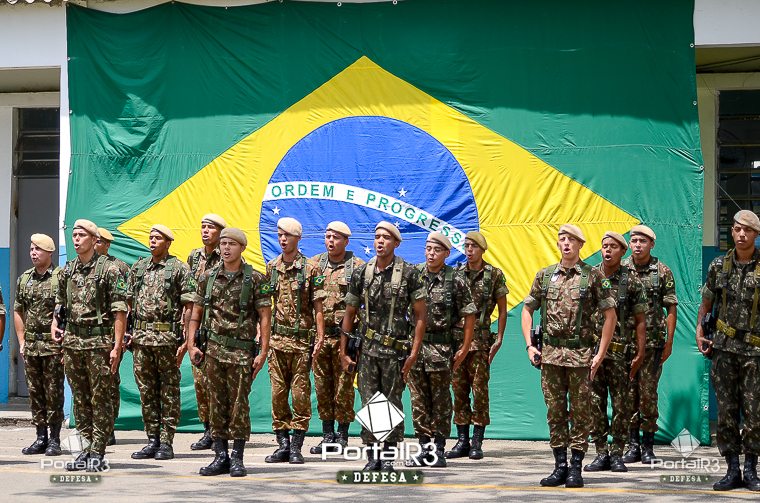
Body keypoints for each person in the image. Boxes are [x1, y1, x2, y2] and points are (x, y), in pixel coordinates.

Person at [521, 224, 616, 488]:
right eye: (562, 239)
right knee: (555, 412)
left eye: (571, 240)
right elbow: (527, 310)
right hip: (550, 356)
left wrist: (600, 353)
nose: (566, 244)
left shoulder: (592, 276)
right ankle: (559, 466)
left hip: (580, 356)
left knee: (581, 412)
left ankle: (576, 467)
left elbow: (610, 315)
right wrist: (530, 345)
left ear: (580, 245)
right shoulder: (545, 275)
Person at [340, 221, 426, 472]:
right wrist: (344, 352)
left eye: (386, 238)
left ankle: (388, 456)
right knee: (369, 402)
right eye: (377, 236)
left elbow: (421, 315)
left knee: (390, 402)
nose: (380, 241)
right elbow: (350, 312)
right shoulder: (362, 273)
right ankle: (373, 455)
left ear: (396, 243)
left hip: (396, 352)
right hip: (368, 350)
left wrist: (414, 353)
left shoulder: (409, 274)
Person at [187, 227, 272, 477]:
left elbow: (265, 316)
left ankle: (237, 457)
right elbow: (196, 313)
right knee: (216, 404)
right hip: (213, 352)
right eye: (223, 243)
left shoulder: (255, 279)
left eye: (231, 244)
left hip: (241, 352)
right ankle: (220, 455)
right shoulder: (208, 277)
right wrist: (191, 344)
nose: (226, 248)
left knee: (238, 406)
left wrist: (263, 351)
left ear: (242, 248)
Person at [52, 219, 128, 472]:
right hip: (73, 343)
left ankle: (98, 451)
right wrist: (55, 325)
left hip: (99, 343)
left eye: (81, 235)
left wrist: (116, 347)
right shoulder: (68, 270)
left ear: (95, 240)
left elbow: (119, 311)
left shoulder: (109, 270)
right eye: (74, 235)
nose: (76, 239)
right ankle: (84, 450)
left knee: (100, 399)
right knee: (80, 399)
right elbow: (60, 305)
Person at [697, 210, 760, 492]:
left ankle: (751, 469)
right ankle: (732, 469)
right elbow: (706, 303)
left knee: (755, 413)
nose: (742, 234)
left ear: (756, 235)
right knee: (726, 412)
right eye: (737, 229)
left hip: (755, 352)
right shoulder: (718, 266)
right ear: (732, 232)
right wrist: (700, 330)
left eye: (748, 230)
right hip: (724, 349)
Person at [128, 225, 196, 461]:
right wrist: (129, 333)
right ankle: (152, 439)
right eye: (151, 237)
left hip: (167, 340)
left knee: (168, 392)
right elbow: (128, 301)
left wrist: (186, 339)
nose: (153, 241)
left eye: (158, 238)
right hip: (141, 340)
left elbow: (189, 305)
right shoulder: (139, 268)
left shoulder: (178, 269)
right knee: (146, 391)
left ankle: (166, 441)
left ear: (168, 243)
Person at [407, 232, 475, 468]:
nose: (431, 254)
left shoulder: (455, 279)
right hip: (416, 349)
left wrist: (464, 347)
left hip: (442, 349)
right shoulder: (414, 275)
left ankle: (438, 449)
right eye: (428, 249)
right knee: (418, 401)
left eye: (436, 250)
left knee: (441, 401)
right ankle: (424, 448)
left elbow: (469, 314)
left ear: (446, 253)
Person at [265, 217, 326, 465]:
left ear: (297, 238)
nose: (282, 239)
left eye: (287, 235)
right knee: (278, 395)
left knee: (300, 395)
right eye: (280, 235)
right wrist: (263, 336)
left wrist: (320, 337)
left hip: (301, 343)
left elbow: (318, 306)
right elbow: (265, 306)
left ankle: (297, 446)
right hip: (277, 342)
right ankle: (282, 444)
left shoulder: (310, 269)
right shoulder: (272, 267)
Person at [585, 231, 647, 473]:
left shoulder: (631, 281)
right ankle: (601, 453)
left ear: (623, 251)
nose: (607, 250)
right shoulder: (590, 276)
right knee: (595, 403)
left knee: (622, 405)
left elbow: (640, 319)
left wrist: (640, 351)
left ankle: (617, 454)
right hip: (593, 352)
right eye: (604, 246)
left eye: (613, 246)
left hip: (621, 354)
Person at [447, 231, 508, 461]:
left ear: (482, 249)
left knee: (480, 390)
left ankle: (477, 441)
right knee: (459, 389)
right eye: (466, 246)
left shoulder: (494, 275)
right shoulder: (456, 274)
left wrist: (499, 338)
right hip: (458, 340)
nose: (469, 250)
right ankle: (462, 440)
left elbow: (502, 309)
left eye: (473, 246)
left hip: (481, 341)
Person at [622, 224, 678, 464]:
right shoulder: (621, 269)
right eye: (634, 241)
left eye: (642, 241)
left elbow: (671, 307)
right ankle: (632, 445)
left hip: (653, 344)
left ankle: (647, 446)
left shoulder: (662, 271)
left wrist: (669, 341)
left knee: (648, 394)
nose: (637, 245)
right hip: (625, 344)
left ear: (651, 244)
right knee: (628, 394)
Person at [310, 222, 364, 455]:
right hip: (321, 338)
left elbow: (365, 304)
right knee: (322, 388)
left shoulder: (358, 267)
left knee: (344, 388)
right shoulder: (314, 265)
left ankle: (342, 436)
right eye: (328, 236)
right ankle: (327, 436)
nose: (331, 241)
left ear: (346, 241)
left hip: (345, 339)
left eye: (336, 237)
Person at [14, 234, 63, 456]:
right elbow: (18, 310)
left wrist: (63, 344)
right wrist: (22, 341)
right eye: (32, 249)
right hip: (32, 345)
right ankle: (40, 437)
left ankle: (54, 438)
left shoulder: (60, 277)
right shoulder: (25, 279)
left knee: (54, 393)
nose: (33, 253)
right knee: (35, 393)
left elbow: (65, 312)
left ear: (49, 252)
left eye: (38, 249)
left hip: (53, 346)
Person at [186, 213, 227, 451]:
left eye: (210, 228)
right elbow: (190, 295)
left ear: (220, 232)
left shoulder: (227, 256)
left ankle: (222, 431)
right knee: (200, 383)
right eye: (203, 227)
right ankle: (208, 430)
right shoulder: (194, 257)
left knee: (219, 385)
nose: (205, 231)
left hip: (220, 328)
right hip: (199, 327)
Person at [96, 227, 130, 446]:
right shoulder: (80, 268)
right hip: (88, 336)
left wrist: (123, 334)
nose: (95, 244)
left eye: (99, 242)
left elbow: (128, 302)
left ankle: (108, 427)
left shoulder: (119, 268)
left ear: (107, 245)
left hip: (111, 334)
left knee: (109, 382)